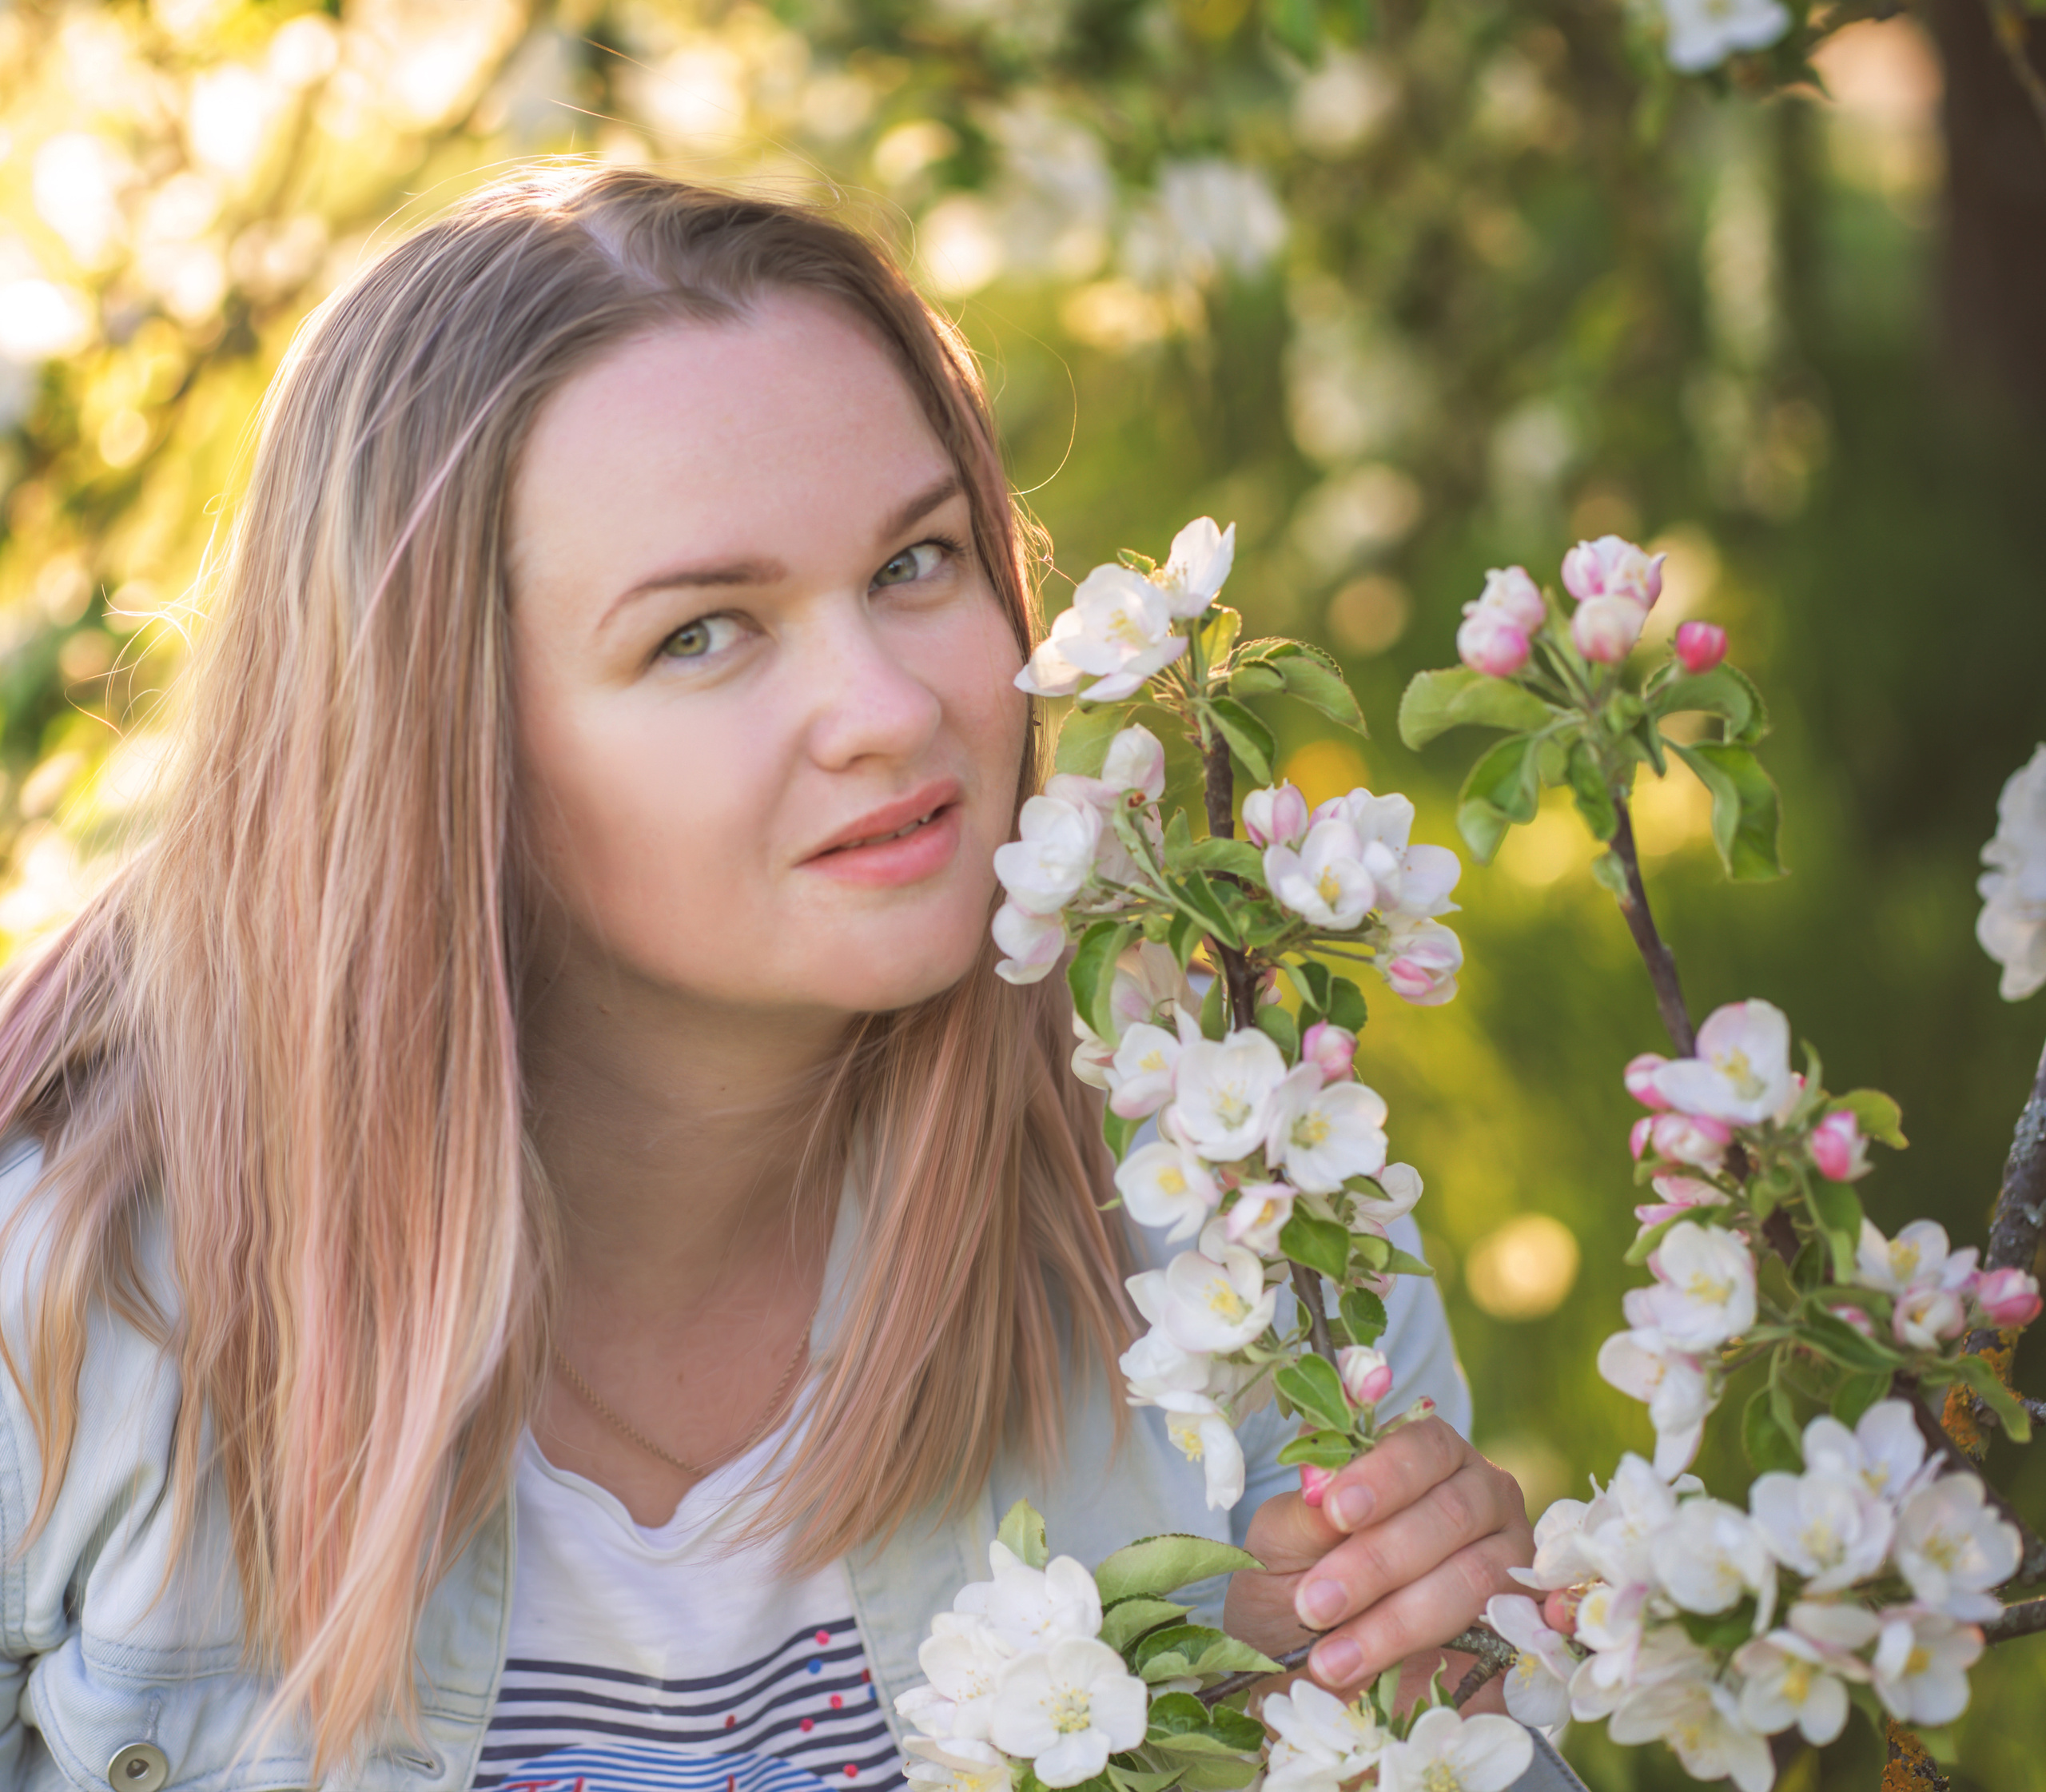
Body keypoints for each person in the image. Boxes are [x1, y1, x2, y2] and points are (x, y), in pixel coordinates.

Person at [0, 168, 1535, 1792]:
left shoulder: (1215, 1195)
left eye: (916, 561)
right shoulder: (79, 1295)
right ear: (444, 745)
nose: (884, 705)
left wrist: (1415, 1695)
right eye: (701, 633)